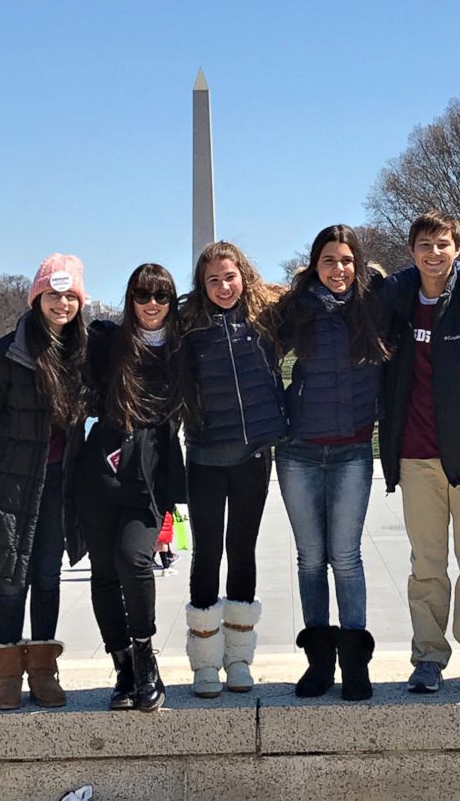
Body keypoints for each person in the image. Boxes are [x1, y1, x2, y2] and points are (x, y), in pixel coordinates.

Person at [379, 210, 460, 697]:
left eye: (442, 245)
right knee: (427, 566)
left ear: (457, 248)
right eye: (424, 245)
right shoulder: (397, 299)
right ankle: (429, 657)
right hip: (415, 456)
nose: (433, 254)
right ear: (411, 250)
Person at [0, 254, 87, 710]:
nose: (62, 304)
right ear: (37, 298)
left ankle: (43, 666)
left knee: (48, 577)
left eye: (70, 296)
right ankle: (7, 670)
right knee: (12, 578)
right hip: (10, 482)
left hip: (59, 479)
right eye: (53, 295)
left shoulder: (81, 351)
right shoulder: (4, 353)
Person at [271, 225, 388, 702]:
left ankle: (355, 661)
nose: (338, 270)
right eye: (328, 261)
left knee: (346, 557)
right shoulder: (296, 308)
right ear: (314, 265)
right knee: (310, 558)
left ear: (357, 264)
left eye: (345, 261)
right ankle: (319, 662)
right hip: (298, 448)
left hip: (352, 448)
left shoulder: (374, 304)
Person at [74, 264, 185, 713]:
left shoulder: (182, 347)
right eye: (143, 295)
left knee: (133, 557)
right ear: (130, 298)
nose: (152, 304)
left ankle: (145, 657)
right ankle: (122, 666)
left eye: (161, 296)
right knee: (104, 572)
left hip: (150, 469)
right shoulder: (106, 342)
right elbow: (59, 349)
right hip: (100, 466)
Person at [180, 241, 287, 697]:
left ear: (244, 275)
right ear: (202, 286)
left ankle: (239, 657)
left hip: (253, 454)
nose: (224, 287)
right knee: (206, 553)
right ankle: (205, 661)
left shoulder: (266, 321)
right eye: (213, 280)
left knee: (242, 551)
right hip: (205, 455)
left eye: (230, 277)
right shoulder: (188, 327)